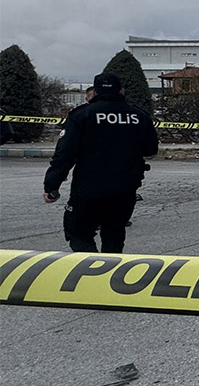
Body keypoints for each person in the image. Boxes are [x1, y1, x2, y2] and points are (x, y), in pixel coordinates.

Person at [43, 73, 158, 252]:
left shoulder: (82, 115)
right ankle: (109, 274)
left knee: (79, 234)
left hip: (88, 189)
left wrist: (51, 186)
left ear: (95, 92)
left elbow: (65, 154)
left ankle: (91, 273)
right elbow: (151, 149)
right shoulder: (139, 116)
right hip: (124, 189)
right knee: (114, 235)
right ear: (121, 90)